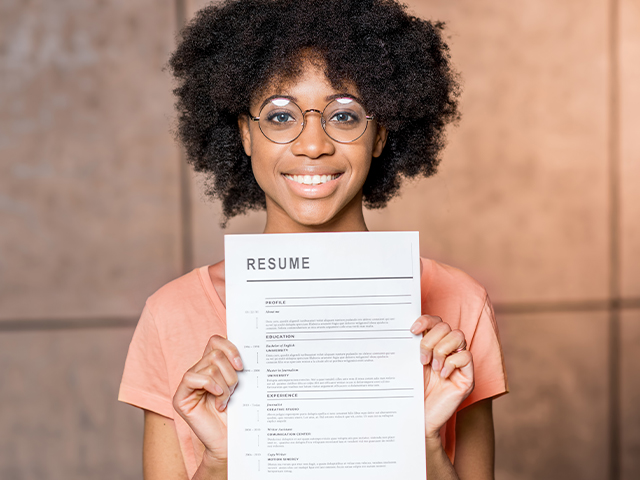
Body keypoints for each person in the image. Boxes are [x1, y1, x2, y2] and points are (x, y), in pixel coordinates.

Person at [118, 0, 508, 479]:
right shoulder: (172, 314)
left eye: (344, 116)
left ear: (380, 134)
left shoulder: (460, 305)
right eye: (281, 117)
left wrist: (422, 443)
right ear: (245, 134)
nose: (312, 144)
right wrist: (221, 461)